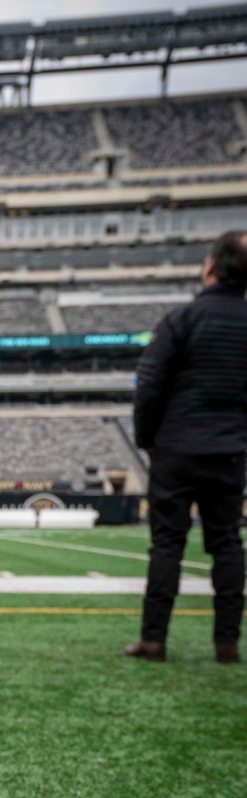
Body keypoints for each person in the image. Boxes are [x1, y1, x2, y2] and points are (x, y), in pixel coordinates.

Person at [127, 229, 247, 664]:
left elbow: (149, 384)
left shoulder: (182, 319)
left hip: (176, 447)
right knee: (228, 544)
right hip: (229, 450)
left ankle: (154, 639)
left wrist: (147, 439)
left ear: (211, 266)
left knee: (166, 545)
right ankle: (227, 642)